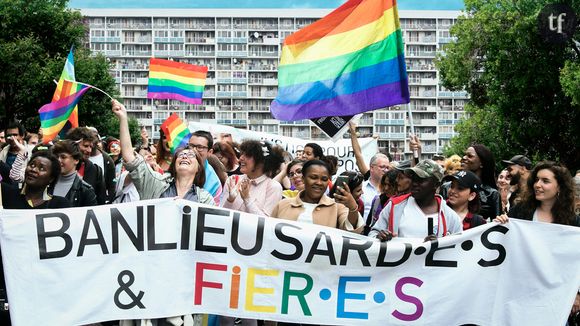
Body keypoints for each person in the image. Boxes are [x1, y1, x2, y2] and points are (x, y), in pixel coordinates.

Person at [494, 161, 579, 320]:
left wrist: (577, 293)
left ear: (559, 187)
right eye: (537, 180)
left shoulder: (573, 222)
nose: (537, 185)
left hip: (555, 295)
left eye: (545, 181)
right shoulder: (520, 212)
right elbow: (505, 243)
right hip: (520, 291)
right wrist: (501, 223)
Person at [0, 150, 71, 326]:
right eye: (32, 165)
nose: (33, 170)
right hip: (9, 280)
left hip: (43, 285)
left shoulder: (60, 206)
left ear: (51, 179)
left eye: (41, 168)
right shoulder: (6, 196)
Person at [112, 99, 214, 204]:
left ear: (199, 168)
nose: (185, 157)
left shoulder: (205, 199)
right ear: (174, 165)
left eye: (191, 155)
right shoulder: (155, 184)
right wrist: (123, 118)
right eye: (181, 155)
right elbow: (129, 157)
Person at [369, 160, 462, 241]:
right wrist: (379, 237)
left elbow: (457, 250)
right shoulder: (395, 206)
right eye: (413, 178)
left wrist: (439, 246)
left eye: (421, 180)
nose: (414, 183)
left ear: (436, 185)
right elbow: (372, 235)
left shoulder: (451, 217)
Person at [271, 160, 364, 232]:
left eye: (324, 179)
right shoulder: (282, 205)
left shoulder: (338, 208)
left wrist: (352, 207)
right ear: (303, 179)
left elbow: (352, 231)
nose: (319, 183)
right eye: (313, 177)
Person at [222, 140, 284, 217]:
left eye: (247, 155)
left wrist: (247, 199)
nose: (241, 158)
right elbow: (220, 215)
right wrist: (230, 200)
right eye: (242, 154)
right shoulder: (233, 180)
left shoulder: (273, 187)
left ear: (261, 162)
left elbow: (267, 222)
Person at [457, 144, 501, 222]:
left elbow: (497, 225)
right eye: (465, 155)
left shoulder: (492, 194)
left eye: (470, 156)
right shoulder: (447, 188)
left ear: (481, 163)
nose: (464, 158)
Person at [64, 127, 107, 204]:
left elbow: (100, 203)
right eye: (86, 146)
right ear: (73, 145)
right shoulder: (58, 167)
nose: (89, 150)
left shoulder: (96, 171)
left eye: (91, 147)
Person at [50, 140, 98, 207]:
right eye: (56, 157)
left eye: (63, 157)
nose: (58, 160)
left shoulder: (85, 191)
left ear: (76, 160)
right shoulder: (45, 183)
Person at [189, 130, 225, 204]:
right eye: (191, 146)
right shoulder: (178, 166)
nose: (194, 150)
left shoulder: (214, 183)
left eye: (200, 147)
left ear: (210, 152)